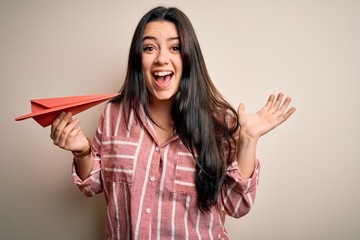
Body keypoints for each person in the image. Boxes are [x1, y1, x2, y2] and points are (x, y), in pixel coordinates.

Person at [50, 6, 295, 240]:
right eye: (149, 48)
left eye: (175, 48)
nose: (161, 59)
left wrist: (248, 141)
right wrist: (81, 151)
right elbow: (93, 185)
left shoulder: (220, 121)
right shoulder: (114, 115)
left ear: (189, 57)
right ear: (138, 59)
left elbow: (237, 205)